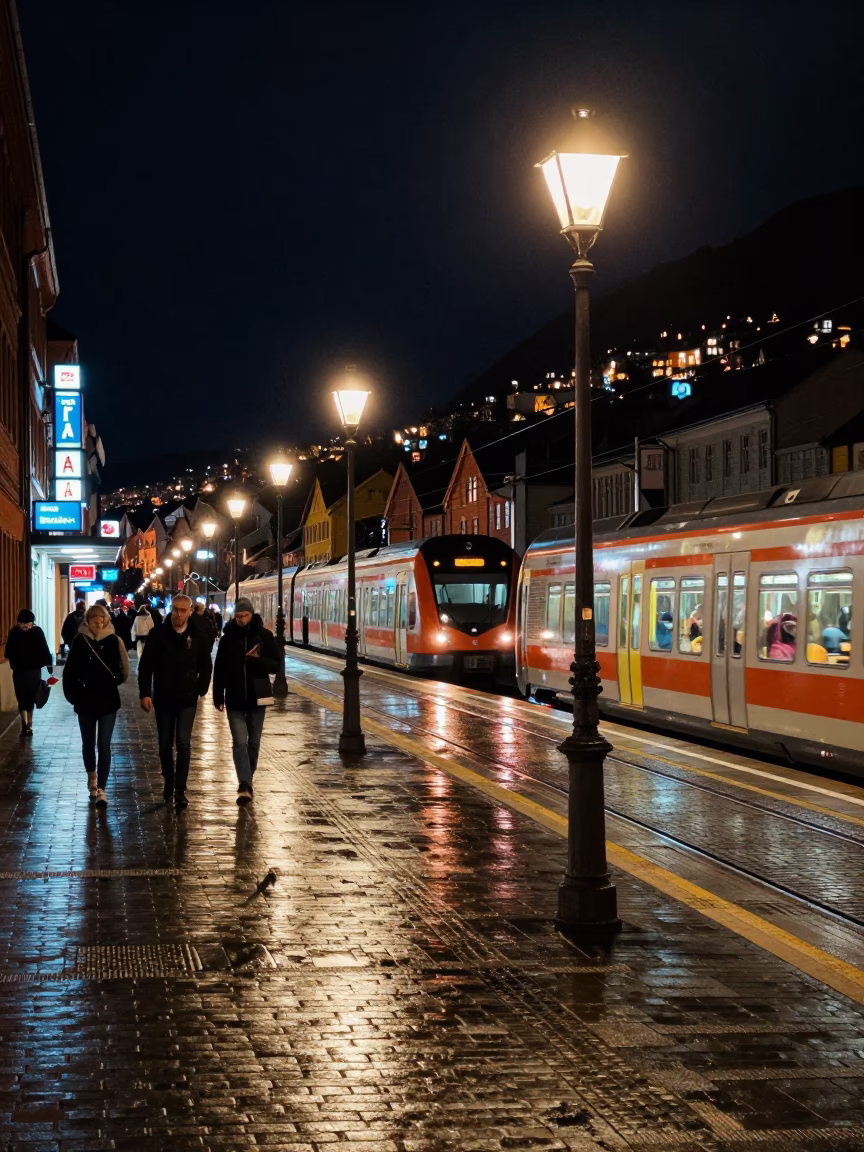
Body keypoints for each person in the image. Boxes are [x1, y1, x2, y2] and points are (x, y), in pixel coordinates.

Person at [138, 594, 212, 811]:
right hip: (164, 697)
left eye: (183, 610)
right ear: (171, 609)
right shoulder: (158, 634)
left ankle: (180, 789)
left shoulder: (198, 636)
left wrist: (200, 689)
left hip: (187, 698)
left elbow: (206, 666)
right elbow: (146, 667)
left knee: (183, 742)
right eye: (176, 610)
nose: (179, 614)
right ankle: (169, 780)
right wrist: (145, 693)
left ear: (190, 611)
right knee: (164, 744)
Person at [213, 596, 280, 806]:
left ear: (252, 614)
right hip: (234, 698)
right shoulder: (228, 639)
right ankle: (244, 784)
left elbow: (276, 665)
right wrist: (217, 695)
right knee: (240, 742)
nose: (241, 619)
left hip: (258, 696)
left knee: (254, 743)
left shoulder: (264, 636)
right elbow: (220, 668)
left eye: (245, 615)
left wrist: (257, 661)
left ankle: (247, 779)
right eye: (238, 616)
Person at [62, 603, 129, 806]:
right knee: (88, 743)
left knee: (104, 744)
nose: (98, 623)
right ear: (88, 621)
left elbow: (124, 668)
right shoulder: (80, 641)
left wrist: (113, 680)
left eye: (102, 620)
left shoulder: (114, 641)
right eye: (94, 620)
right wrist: (74, 695)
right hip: (85, 700)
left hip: (108, 700)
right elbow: (69, 672)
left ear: (106, 620)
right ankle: (92, 777)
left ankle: (102, 788)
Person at [4, 609, 53, 736]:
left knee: (31, 696)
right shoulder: (14, 632)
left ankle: (29, 724)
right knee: (20, 696)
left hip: (33, 670)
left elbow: (44, 647)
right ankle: (23, 722)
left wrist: (48, 664)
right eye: (22, 623)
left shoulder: (37, 632)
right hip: (19, 670)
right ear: (18, 623)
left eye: (28, 623)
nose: (25, 626)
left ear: (33, 623)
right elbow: (8, 651)